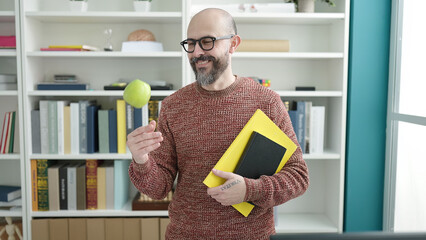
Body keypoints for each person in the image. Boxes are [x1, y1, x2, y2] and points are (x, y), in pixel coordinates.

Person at [127, 8, 309, 240]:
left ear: (233, 43)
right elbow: (159, 188)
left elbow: (299, 177)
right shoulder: (173, 106)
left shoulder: (266, 102)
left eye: (207, 42)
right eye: (190, 44)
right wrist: (141, 160)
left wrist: (249, 190)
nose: (196, 52)